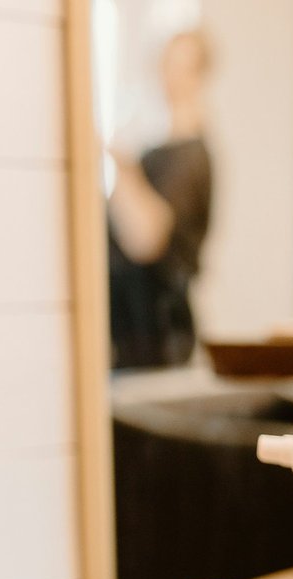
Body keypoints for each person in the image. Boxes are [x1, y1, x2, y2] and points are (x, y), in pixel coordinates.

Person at [108, 29, 215, 370]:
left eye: (179, 66)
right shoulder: (154, 152)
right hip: (128, 331)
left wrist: (123, 168)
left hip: (157, 337)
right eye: (165, 65)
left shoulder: (190, 158)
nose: (168, 76)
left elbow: (146, 238)